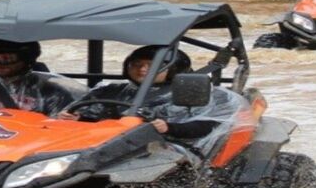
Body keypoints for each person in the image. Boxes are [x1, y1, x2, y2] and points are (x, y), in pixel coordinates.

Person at [59, 45, 229, 142]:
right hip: (110, 147)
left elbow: (208, 125)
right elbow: (99, 121)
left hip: (171, 147)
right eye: (137, 64)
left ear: (173, 69)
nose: (142, 70)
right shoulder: (110, 90)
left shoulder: (193, 90)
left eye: (152, 66)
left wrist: (169, 128)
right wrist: (79, 119)